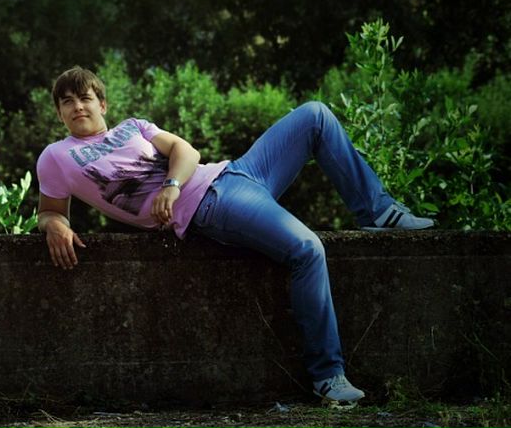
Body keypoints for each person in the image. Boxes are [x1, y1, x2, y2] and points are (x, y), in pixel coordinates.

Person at [36, 66, 434, 408]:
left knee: (315, 114)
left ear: (103, 104)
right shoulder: (57, 156)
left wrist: (170, 185)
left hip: (237, 173)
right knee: (308, 249)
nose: (78, 107)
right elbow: (50, 210)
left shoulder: (133, 127)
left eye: (85, 98)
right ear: (59, 113)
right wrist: (54, 224)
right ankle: (328, 376)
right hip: (213, 204)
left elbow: (186, 152)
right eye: (67, 102)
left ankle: (378, 210)